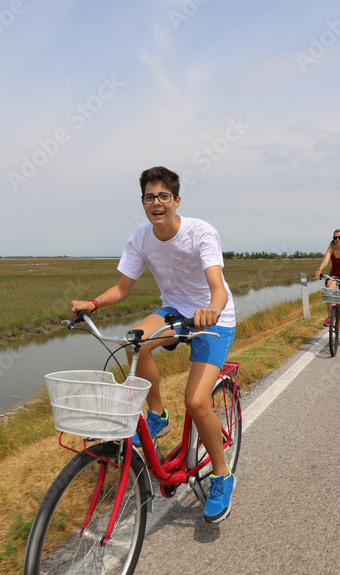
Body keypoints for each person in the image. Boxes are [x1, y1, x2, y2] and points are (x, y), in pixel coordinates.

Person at [70, 166, 238, 523]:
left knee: (195, 400)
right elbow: (122, 288)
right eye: (150, 196)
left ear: (177, 201)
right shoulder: (141, 239)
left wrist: (212, 309)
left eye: (164, 196)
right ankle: (158, 414)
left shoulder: (201, 232)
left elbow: (218, 286)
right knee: (135, 342)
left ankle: (223, 476)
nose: (156, 202)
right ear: (143, 203)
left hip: (214, 319)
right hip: (175, 311)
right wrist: (94, 304)